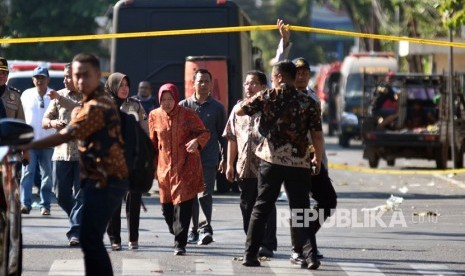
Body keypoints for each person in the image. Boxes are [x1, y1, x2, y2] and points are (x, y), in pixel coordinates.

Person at [19, 53, 129, 276]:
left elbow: (67, 134)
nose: (80, 80)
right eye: (76, 76)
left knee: (90, 238)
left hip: (108, 182)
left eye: (85, 75)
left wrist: (26, 145)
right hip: (97, 177)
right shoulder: (90, 102)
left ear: (98, 75)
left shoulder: (99, 104)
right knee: (90, 239)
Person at [236, 60, 324, 270]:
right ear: (293, 77)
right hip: (299, 162)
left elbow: (240, 111)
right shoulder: (308, 102)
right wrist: (317, 159)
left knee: (261, 207)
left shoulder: (267, 96)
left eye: (274, 76)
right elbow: (317, 136)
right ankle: (310, 256)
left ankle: (250, 255)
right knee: (301, 209)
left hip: (271, 161)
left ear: (279, 77)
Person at [276, 19, 337, 265]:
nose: (300, 75)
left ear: (309, 75)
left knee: (328, 200)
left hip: (313, 159)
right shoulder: (283, 94)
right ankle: (299, 249)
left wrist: (321, 159)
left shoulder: (312, 97)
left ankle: (306, 239)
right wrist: (285, 42)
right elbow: (278, 66)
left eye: (304, 72)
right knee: (297, 206)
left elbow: (318, 133)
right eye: (296, 72)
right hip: (291, 159)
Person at [148, 83, 210, 255]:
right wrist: (149, 165)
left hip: (186, 166)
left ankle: (180, 244)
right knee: (167, 211)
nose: (167, 103)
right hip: (163, 168)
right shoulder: (154, 115)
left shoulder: (187, 115)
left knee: (183, 206)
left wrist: (196, 142)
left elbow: (205, 132)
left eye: (170, 99)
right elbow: (153, 143)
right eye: (163, 99)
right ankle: (176, 231)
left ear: (176, 99)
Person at [223, 70, 277, 258]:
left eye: (253, 83)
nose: (249, 87)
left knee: (266, 205)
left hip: (266, 166)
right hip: (244, 167)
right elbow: (231, 137)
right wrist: (229, 164)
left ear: (263, 87)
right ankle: (253, 239)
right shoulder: (238, 109)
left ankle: (268, 244)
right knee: (247, 206)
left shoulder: (270, 107)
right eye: (246, 83)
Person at [179, 69, 227, 245]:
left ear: (211, 84)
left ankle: (205, 228)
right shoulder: (184, 106)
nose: (204, 84)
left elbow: (224, 136)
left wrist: (225, 158)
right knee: (190, 196)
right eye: (200, 81)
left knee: (205, 194)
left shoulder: (218, 108)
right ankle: (194, 229)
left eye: (207, 81)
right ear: (193, 83)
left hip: (208, 159)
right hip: (187, 160)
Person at [105, 72, 148, 251]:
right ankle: (115, 238)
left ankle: (133, 238)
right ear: (113, 86)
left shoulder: (136, 106)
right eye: (121, 85)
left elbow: (145, 132)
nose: (124, 88)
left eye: (127, 85)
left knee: (134, 199)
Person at [42, 63, 83, 246]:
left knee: (81, 195)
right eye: (65, 76)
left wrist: (59, 97)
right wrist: (52, 123)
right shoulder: (58, 96)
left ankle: (76, 231)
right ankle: (80, 220)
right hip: (61, 153)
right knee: (60, 194)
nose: (66, 80)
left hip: (83, 156)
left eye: (69, 77)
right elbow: (45, 120)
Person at [20, 66, 55, 215]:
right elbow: (20, 117)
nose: (40, 80)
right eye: (37, 78)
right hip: (30, 142)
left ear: (48, 79)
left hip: (48, 142)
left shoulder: (54, 94)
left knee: (47, 175)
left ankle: (45, 205)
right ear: (33, 80)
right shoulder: (26, 95)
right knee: (27, 173)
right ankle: (25, 204)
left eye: (42, 77)